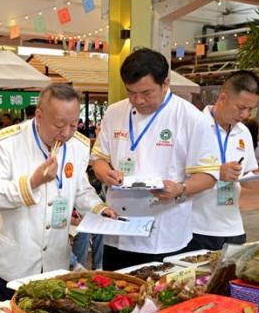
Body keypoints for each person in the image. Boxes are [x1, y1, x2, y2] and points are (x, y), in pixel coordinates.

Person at [0, 84, 117, 303]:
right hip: (12, 265)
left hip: (55, 262)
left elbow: (81, 189)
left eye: (73, 124)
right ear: (39, 115)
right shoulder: (6, 143)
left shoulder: (78, 146)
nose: (66, 133)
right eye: (59, 125)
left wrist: (99, 208)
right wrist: (33, 183)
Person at [91, 48, 219, 271]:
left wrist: (180, 188)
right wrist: (105, 174)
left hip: (164, 234)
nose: (138, 100)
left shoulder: (191, 118)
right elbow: (99, 159)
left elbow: (209, 176)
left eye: (147, 93)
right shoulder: (115, 112)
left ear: (165, 83)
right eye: (131, 92)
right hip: (118, 230)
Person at [188, 71, 259, 251]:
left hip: (234, 228)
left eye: (250, 109)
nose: (245, 114)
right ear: (223, 98)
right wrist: (216, 172)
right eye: (241, 107)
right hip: (196, 228)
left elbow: (246, 177)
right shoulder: (194, 126)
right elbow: (176, 174)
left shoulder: (243, 132)